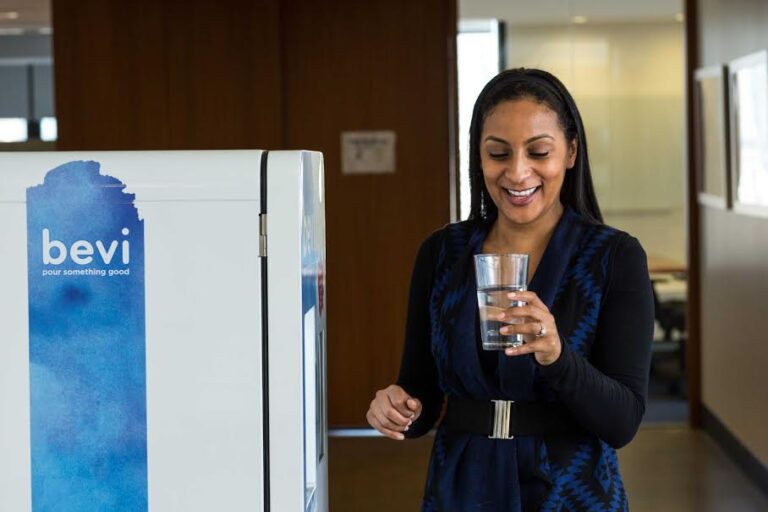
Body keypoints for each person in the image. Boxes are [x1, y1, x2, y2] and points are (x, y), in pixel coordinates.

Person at [366, 68, 654, 511]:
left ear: (571, 152)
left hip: (571, 492)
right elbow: (420, 390)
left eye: (539, 151)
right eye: (498, 153)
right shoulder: (442, 253)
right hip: (461, 488)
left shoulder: (614, 257)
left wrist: (558, 357)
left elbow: (622, 423)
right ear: (478, 159)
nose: (518, 173)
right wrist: (397, 408)